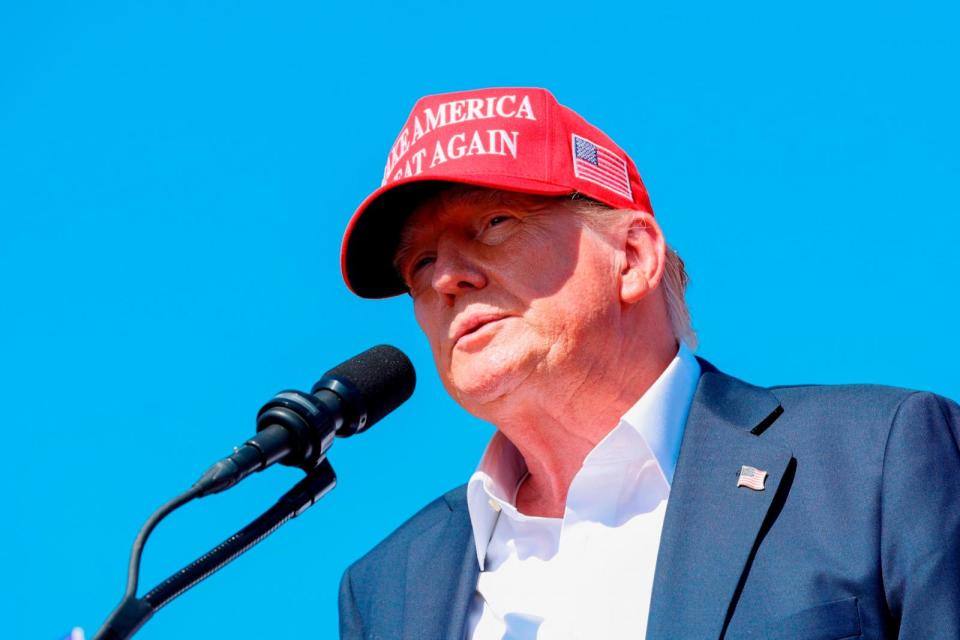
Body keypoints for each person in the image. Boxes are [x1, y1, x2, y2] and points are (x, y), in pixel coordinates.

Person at [336, 87, 960, 639]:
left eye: (495, 223)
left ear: (632, 257)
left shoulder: (877, 459)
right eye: (419, 264)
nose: (446, 277)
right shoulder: (388, 587)